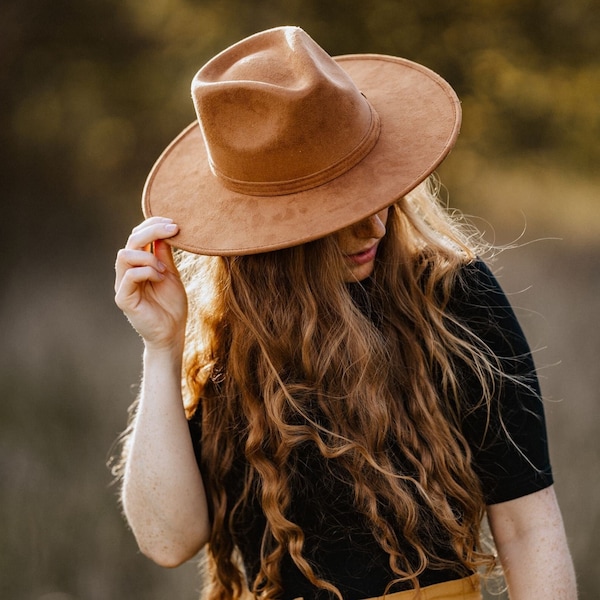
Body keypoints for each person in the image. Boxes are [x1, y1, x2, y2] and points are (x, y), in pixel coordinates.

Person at [113, 26, 577, 600]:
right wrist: (161, 347)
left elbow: (528, 524)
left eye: (371, 190)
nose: (374, 224)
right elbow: (167, 540)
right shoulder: (225, 339)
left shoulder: (451, 295)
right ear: (272, 229)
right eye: (336, 209)